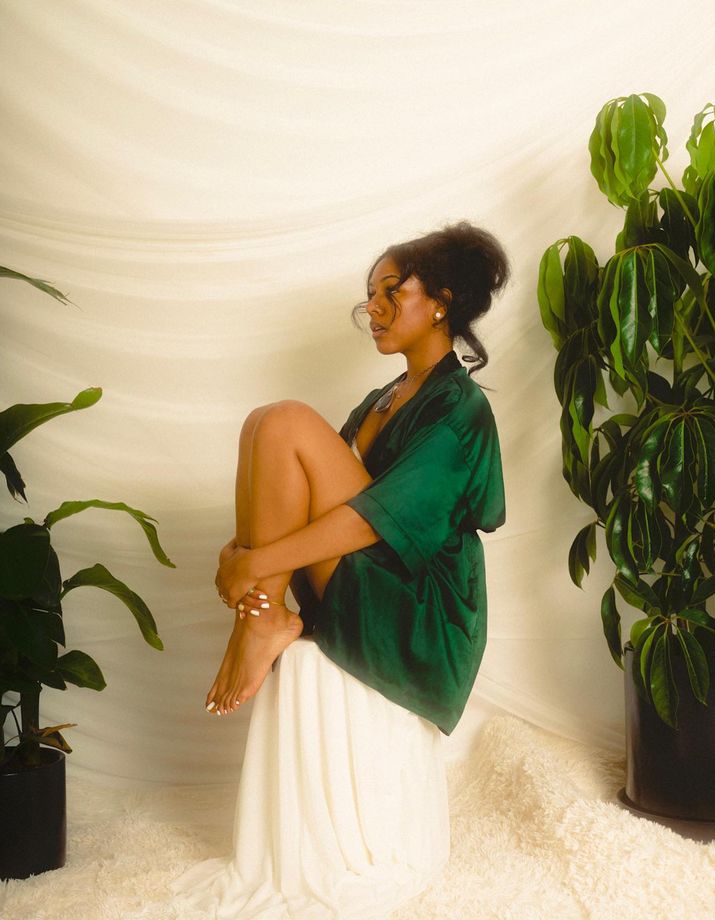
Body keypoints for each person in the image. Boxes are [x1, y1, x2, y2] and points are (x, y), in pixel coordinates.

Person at [169, 221, 508, 919]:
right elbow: (297, 494)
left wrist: (254, 560)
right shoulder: (386, 398)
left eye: (391, 292)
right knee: (265, 421)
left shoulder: (459, 409)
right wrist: (244, 554)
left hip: (424, 612)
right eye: (369, 297)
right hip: (373, 577)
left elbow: (371, 519)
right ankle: (261, 620)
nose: (375, 309)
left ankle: (258, 624)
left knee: (287, 419)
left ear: (441, 300)